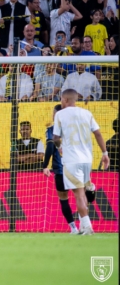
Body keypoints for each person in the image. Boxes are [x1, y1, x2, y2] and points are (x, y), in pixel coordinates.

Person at [52, 89, 110, 235]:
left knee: (78, 193)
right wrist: (105, 153)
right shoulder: (87, 113)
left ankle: (87, 226)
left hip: (71, 160)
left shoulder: (59, 114)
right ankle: (85, 224)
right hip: (87, 160)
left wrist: (60, 148)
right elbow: (97, 133)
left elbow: (56, 138)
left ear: (64, 99)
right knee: (82, 192)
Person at [43, 104, 97, 234]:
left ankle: (73, 228)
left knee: (64, 198)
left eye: (54, 114)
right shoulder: (75, 128)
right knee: (80, 195)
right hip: (77, 166)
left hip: (61, 169)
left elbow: (50, 147)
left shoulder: (52, 130)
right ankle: (85, 224)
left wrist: (45, 165)